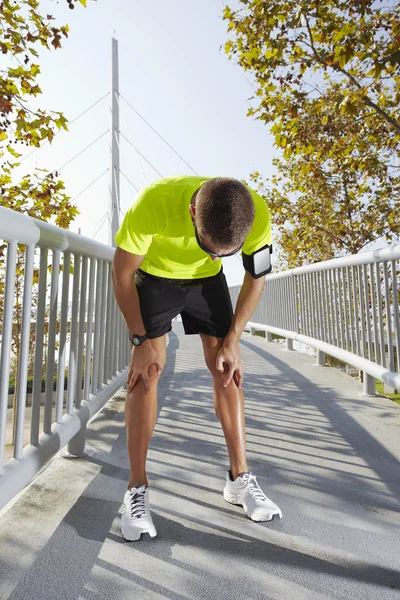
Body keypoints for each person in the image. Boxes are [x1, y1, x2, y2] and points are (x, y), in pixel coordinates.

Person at [112, 175, 282, 541]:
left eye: (225, 253)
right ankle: (135, 489)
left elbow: (256, 278)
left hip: (206, 283)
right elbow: (123, 272)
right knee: (147, 371)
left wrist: (233, 339)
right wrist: (139, 340)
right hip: (155, 277)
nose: (214, 255)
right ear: (192, 213)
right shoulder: (153, 203)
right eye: (209, 247)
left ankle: (239, 479)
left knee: (227, 367)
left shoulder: (256, 214)